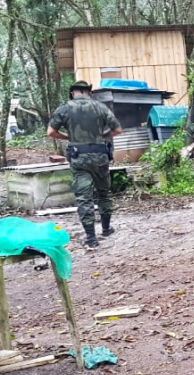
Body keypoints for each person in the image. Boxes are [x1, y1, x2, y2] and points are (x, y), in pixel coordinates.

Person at [46, 80, 122, 249]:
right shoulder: (100, 107)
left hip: (79, 157)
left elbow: (51, 132)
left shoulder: (65, 108)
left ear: (73, 92)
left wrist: (68, 137)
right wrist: (103, 136)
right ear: (89, 92)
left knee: (84, 197)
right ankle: (107, 228)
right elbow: (117, 130)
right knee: (104, 192)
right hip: (100, 156)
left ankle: (91, 238)